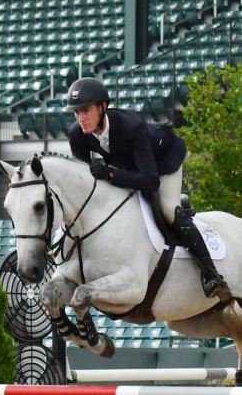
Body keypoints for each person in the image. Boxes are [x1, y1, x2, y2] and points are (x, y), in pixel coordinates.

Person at [65, 77, 231, 302]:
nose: (81, 118)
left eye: (86, 110)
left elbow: (151, 182)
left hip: (162, 163)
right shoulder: (77, 133)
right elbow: (83, 178)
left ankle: (212, 274)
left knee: (168, 210)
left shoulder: (131, 126)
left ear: (103, 107)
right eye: (76, 112)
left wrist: (111, 174)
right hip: (129, 165)